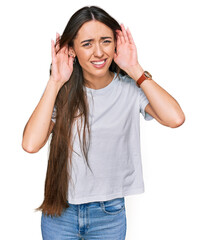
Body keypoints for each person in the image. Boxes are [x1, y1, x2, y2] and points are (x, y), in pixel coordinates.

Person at [22, 5, 185, 240]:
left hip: (109, 214)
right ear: (72, 50)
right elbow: (30, 144)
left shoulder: (130, 89)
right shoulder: (62, 93)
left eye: (106, 41)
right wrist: (55, 81)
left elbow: (175, 118)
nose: (98, 52)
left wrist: (135, 69)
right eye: (87, 44)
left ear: (116, 44)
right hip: (61, 212)